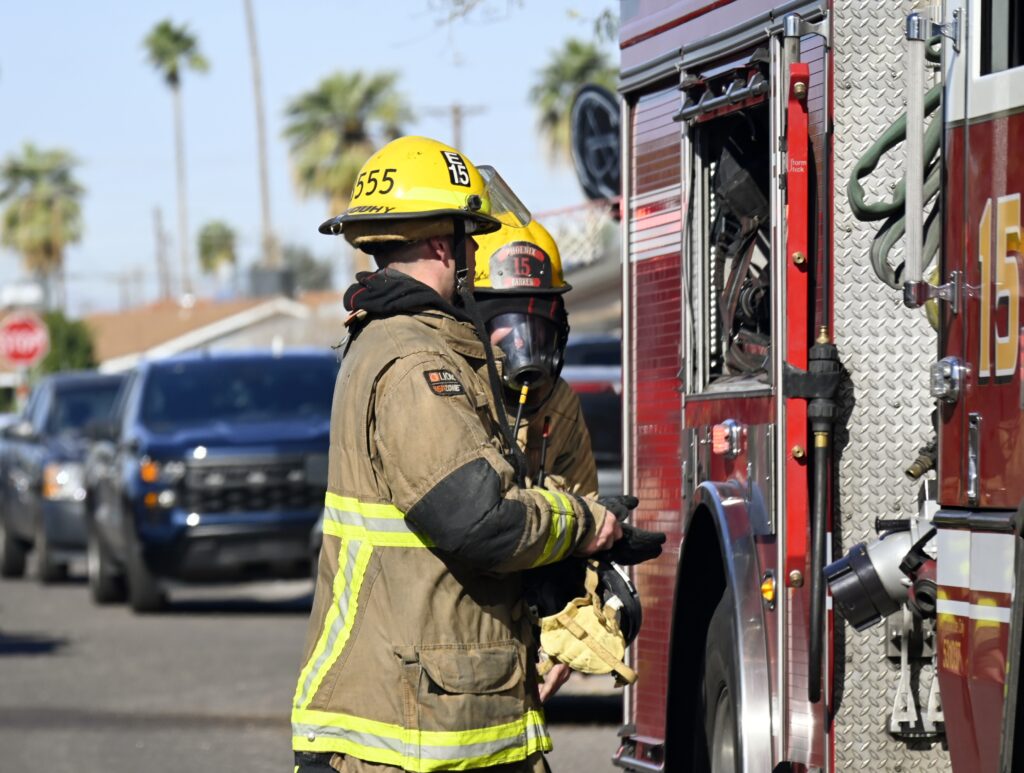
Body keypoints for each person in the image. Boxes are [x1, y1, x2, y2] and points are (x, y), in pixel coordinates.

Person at [292, 136, 630, 773]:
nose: (475, 256)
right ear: (445, 244)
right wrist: (586, 522)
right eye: (469, 239)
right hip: (407, 738)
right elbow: (477, 519)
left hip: (446, 721)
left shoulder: (401, 345)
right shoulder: (416, 362)